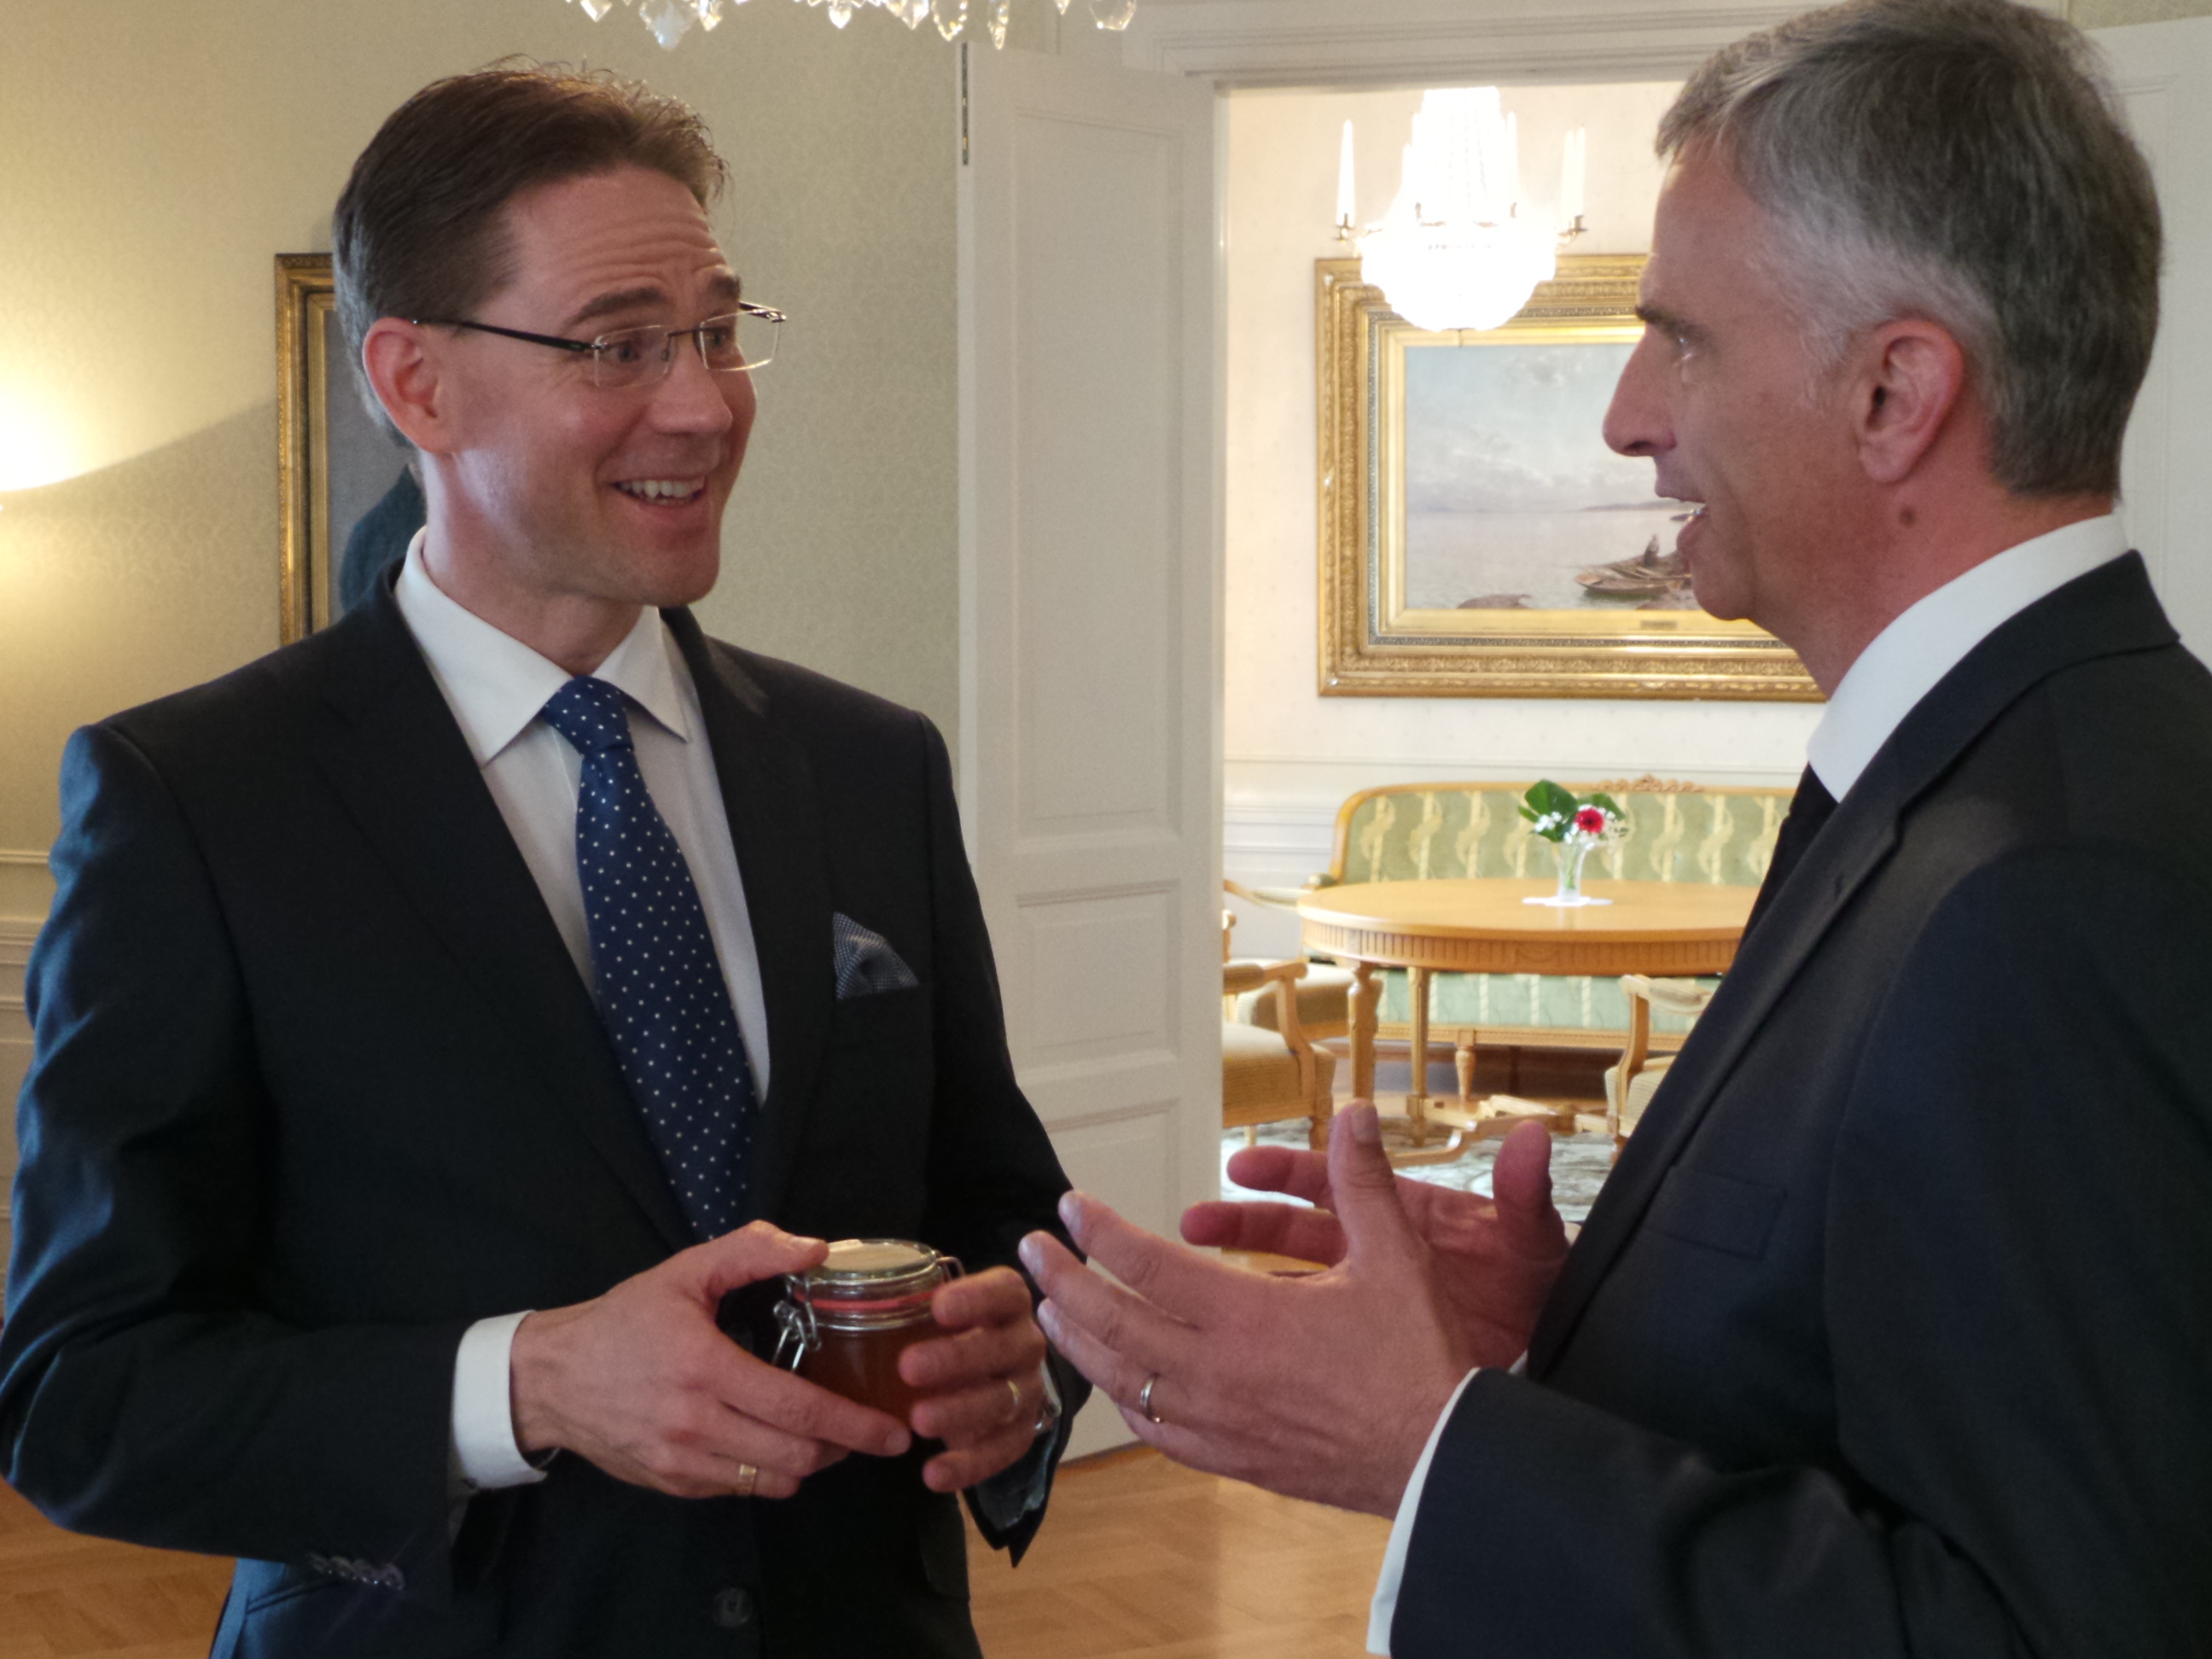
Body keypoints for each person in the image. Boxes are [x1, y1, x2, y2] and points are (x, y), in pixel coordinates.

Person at [1021, 2, 2212, 1654]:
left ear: (1895, 393)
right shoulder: (1984, 770)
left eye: (1682, 338)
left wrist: (1428, 1449)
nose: (1627, 415)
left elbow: (2038, 1627)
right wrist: (1586, 1328)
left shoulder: (2052, 884)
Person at [1, 66, 1085, 1659]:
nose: (707, 402)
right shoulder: (198, 800)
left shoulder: (873, 767)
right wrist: (525, 1384)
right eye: (620, 342)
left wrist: (1019, 1365)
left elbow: (996, 1217)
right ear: (415, 384)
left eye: (719, 329)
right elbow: (82, 1392)